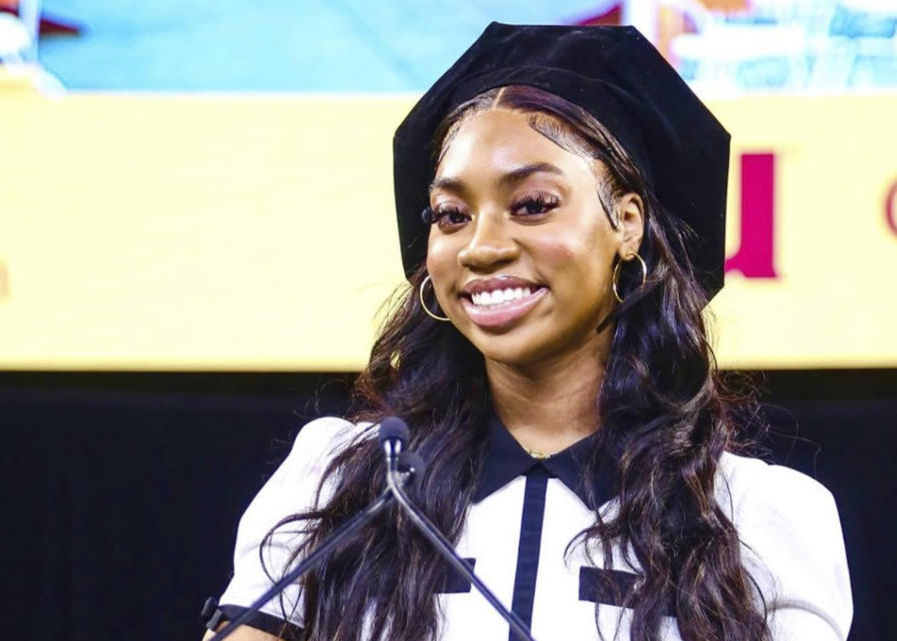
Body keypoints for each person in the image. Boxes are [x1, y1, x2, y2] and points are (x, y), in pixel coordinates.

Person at [201, 23, 852, 641]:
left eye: (533, 205)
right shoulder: (343, 482)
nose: (481, 246)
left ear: (627, 223)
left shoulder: (759, 516)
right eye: (451, 215)